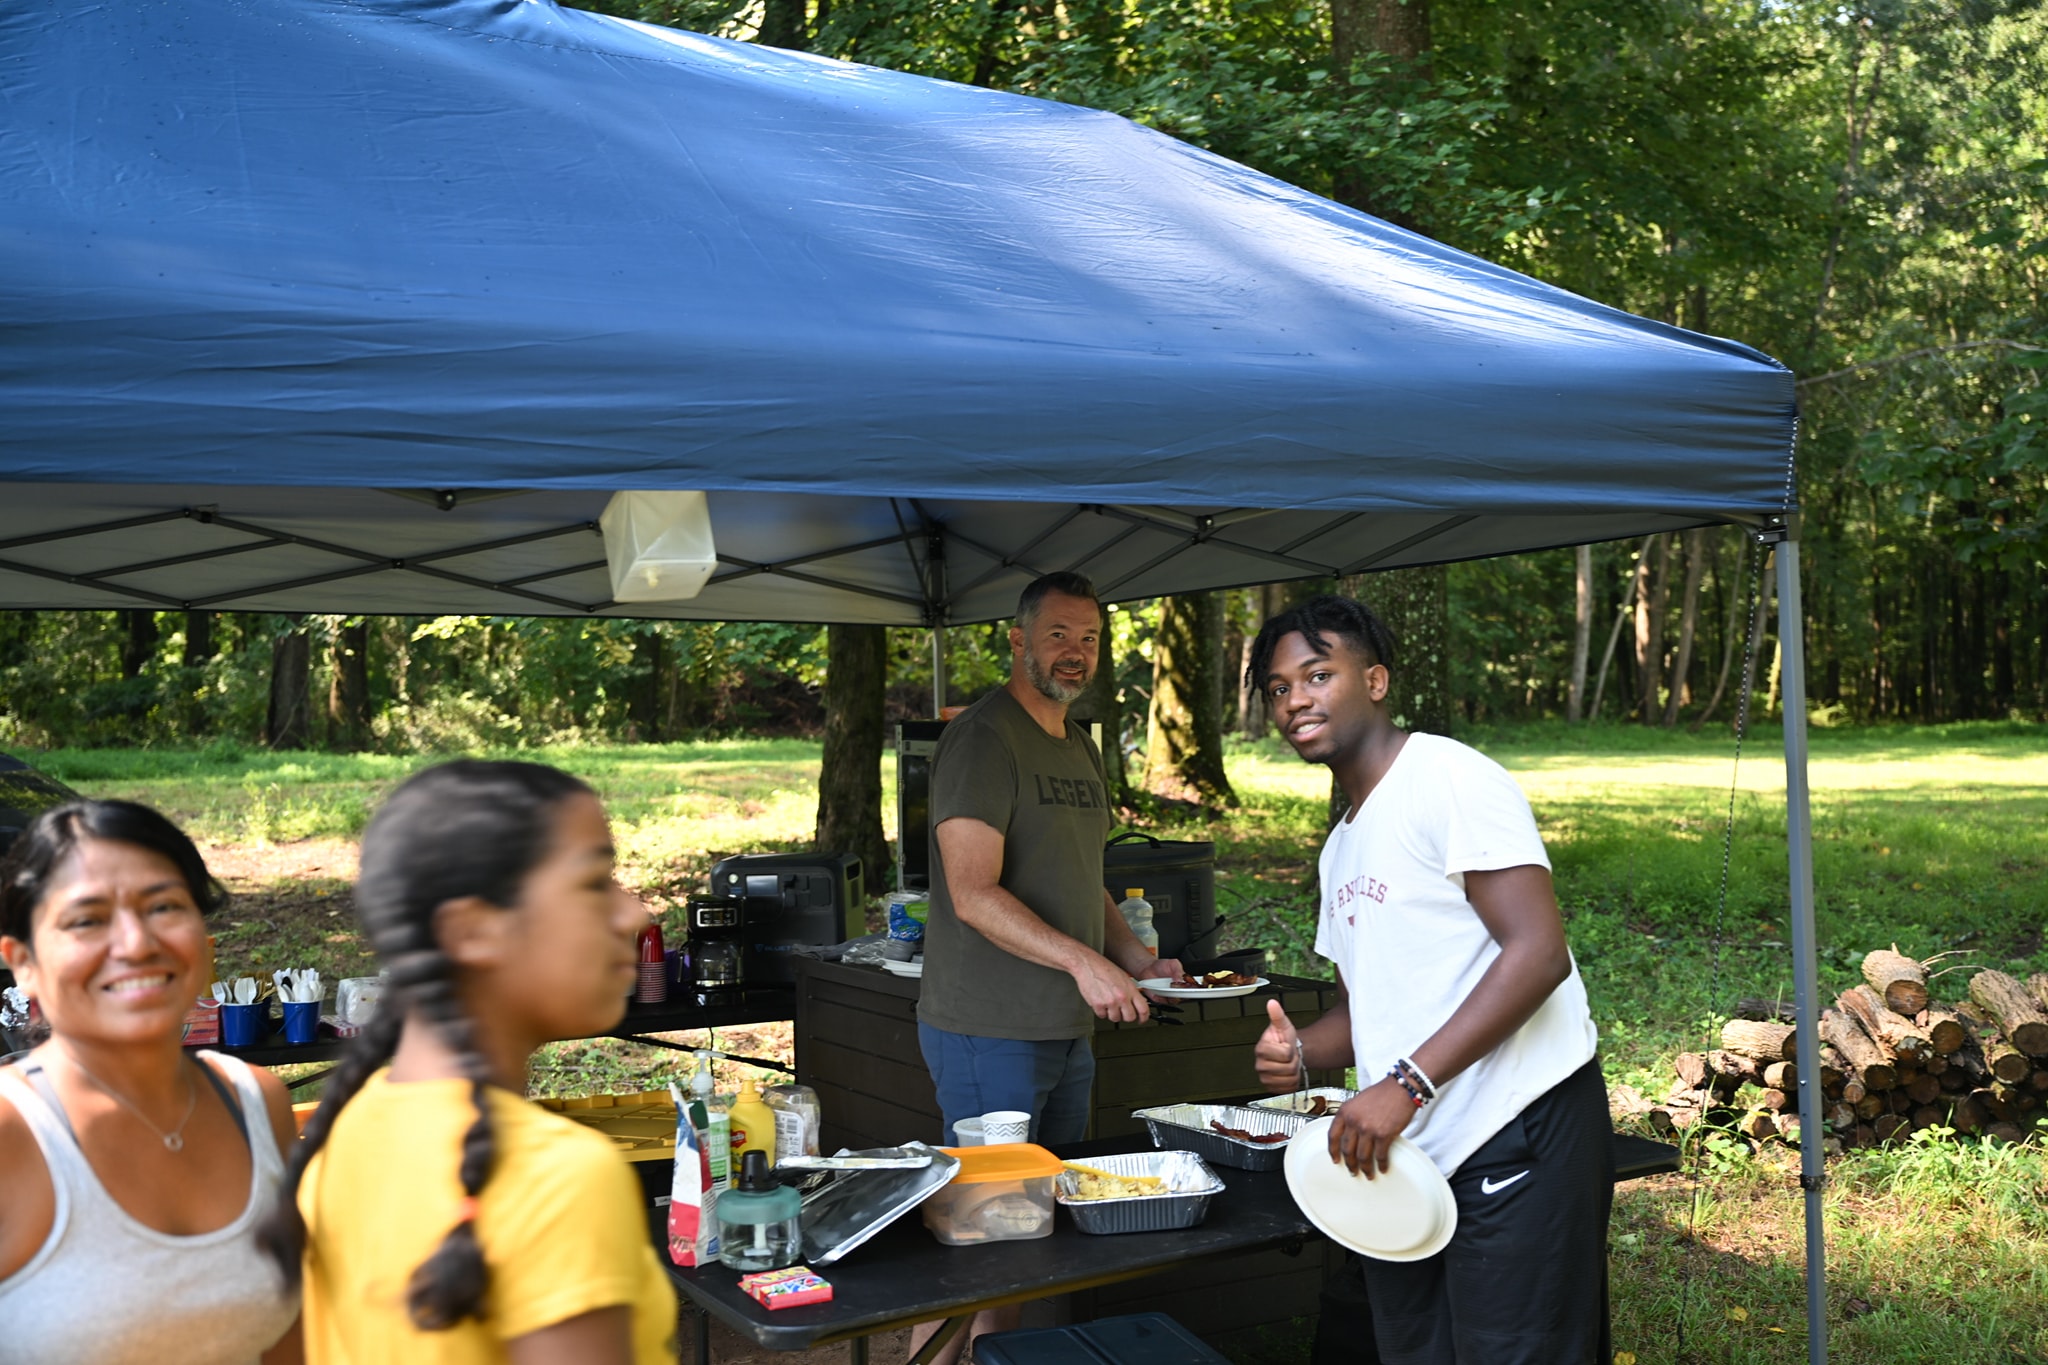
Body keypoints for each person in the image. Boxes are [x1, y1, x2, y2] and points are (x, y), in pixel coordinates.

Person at [1248, 595, 1611, 1365]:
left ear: (1375, 680)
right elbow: (1368, 1008)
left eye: (1317, 674)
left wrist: (1407, 1083)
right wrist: (1304, 1050)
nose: (1295, 699)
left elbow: (1537, 952)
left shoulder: (1447, 777)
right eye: (1278, 687)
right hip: (1406, 1154)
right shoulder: (1341, 847)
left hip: (1516, 1126)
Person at [260, 760, 676, 1365]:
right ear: (473, 930)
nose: (635, 913)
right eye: (594, 883)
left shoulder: (341, 1134)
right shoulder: (558, 1178)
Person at [911, 572, 1181, 1362]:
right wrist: (1083, 963)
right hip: (989, 1027)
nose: (1075, 652)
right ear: (1018, 639)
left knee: (1036, 1235)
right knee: (982, 1237)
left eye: (1089, 638)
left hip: (1066, 1029)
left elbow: (1080, 873)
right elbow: (971, 892)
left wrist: (1136, 959)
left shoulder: (1078, 743)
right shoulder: (983, 740)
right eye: (1058, 633)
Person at [0, 800, 302, 1365]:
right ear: (23, 963)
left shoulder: (256, 1104)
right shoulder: (11, 1130)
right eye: (87, 920)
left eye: (164, 906)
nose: (136, 944)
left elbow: (287, 1339)